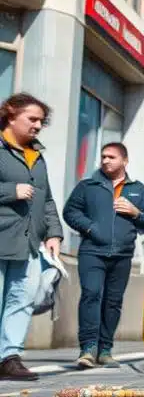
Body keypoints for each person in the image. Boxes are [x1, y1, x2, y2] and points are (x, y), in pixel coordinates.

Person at [62, 142, 144, 368]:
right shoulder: (88, 186)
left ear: (124, 161)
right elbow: (70, 212)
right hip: (92, 251)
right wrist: (90, 228)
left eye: (112, 157)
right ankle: (88, 349)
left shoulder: (137, 189)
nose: (106, 160)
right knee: (91, 295)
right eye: (103, 156)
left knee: (113, 303)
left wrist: (135, 212)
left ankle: (105, 349)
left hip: (123, 255)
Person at [0, 94, 62, 381]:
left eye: (41, 121)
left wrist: (53, 233)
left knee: (22, 298)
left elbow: (47, 200)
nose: (38, 126)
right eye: (32, 119)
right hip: (2, 237)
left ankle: (9, 357)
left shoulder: (36, 156)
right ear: (11, 115)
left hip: (29, 242)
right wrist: (11, 192)